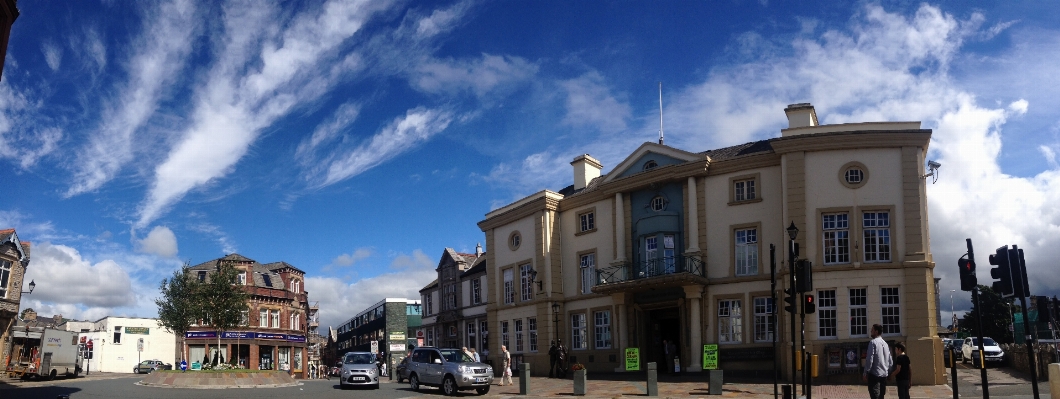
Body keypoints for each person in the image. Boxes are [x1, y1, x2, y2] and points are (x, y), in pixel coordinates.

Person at [863, 323, 893, 399]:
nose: (871, 331)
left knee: (875, 396)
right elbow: (890, 361)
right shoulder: (885, 344)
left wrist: (866, 372)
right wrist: (889, 372)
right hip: (884, 375)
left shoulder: (873, 343)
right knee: (881, 396)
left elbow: (869, 359)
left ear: (876, 331)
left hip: (875, 374)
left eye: (872, 330)